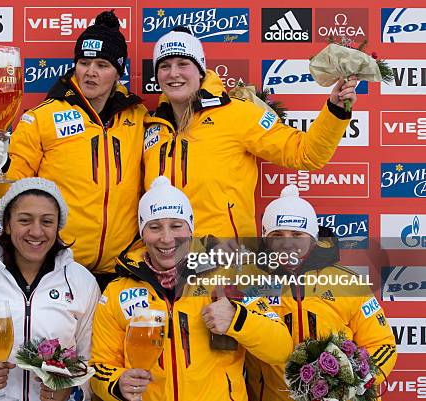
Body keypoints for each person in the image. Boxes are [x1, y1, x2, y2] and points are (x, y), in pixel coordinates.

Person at [0, 10, 149, 289]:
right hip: (60, 265)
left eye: (102, 64)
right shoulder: (43, 117)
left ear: (119, 72)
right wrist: (1, 165)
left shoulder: (138, 116)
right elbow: (12, 192)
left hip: (122, 270)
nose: (90, 72)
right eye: (84, 63)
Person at [143, 26, 359, 241]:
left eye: (183, 64)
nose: (173, 73)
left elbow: (306, 153)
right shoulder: (152, 127)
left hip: (224, 263)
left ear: (200, 70)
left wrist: (336, 110)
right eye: (164, 66)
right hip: (166, 260)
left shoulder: (238, 114)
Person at [90, 176, 293, 401]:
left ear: (191, 229)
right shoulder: (117, 291)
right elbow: (100, 367)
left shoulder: (230, 276)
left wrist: (238, 319)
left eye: (176, 226)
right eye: (154, 227)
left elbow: (281, 348)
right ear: (142, 232)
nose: (167, 238)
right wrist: (117, 384)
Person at [0, 177, 100, 401]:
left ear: (58, 226)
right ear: (7, 224)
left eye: (47, 222)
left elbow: (93, 360)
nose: (36, 232)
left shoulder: (82, 281)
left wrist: (71, 390)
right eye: (25, 220)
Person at [245, 184, 397, 401]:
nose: (287, 244)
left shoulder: (349, 283)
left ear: (313, 238)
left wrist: (359, 381)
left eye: (297, 234)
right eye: (277, 234)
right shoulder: (251, 283)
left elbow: (382, 344)